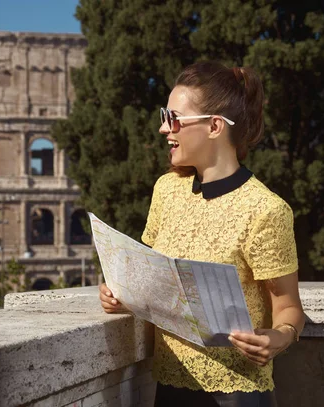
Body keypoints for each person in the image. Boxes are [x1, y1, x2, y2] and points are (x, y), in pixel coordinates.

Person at [99, 61, 304, 407]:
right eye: (165, 115)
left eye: (174, 118)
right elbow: (146, 274)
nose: (164, 128)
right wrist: (119, 292)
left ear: (214, 126)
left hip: (238, 394)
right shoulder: (166, 190)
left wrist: (279, 338)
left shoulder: (266, 210)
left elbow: (289, 307)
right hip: (169, 386)